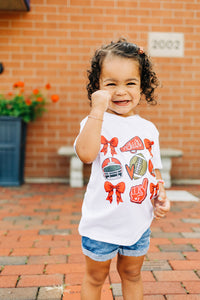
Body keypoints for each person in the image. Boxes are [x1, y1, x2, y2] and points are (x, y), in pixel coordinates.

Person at [74, 38, 170, 300]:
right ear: (98, 87)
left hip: (137, 222)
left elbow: (154, 170)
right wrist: (97, 109)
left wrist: (160, 193)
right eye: (111, 84)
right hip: (101, 224)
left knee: (132, 275)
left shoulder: (148, 129)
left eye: (130, 83)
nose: (121, 91)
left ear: (142, 86)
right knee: (95, 278)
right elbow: (85, 154)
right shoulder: (95, 121)